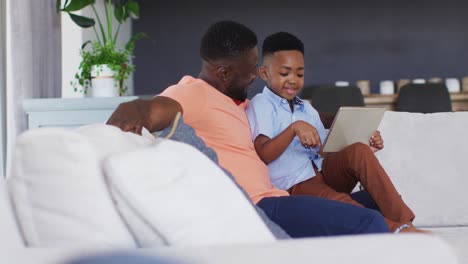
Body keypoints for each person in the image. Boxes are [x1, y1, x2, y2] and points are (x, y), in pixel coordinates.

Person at [107, 20, 390, 237]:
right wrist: (130, 111)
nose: (256, 75)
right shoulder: (192, 94)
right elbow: (155, 109)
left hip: (282, 197)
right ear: (224, 73)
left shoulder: (237, 102)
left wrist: (338, 122)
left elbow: (294, 114)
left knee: (376, 201)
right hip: (259, 206)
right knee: (371, 222)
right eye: (252, 69)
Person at [245, 31, 425, 233]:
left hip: (322, 173)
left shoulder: (305, 107)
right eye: (284, 73)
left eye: (300, 74)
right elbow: (263, 153)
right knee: (338, 202)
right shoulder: (261, 104)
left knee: (359, 151)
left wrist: (365, 146)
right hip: (296, 185)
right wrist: (294, 129)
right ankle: (392, 229)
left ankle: (405, 222)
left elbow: (324, 152)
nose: (293, 80)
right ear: (265, 73)